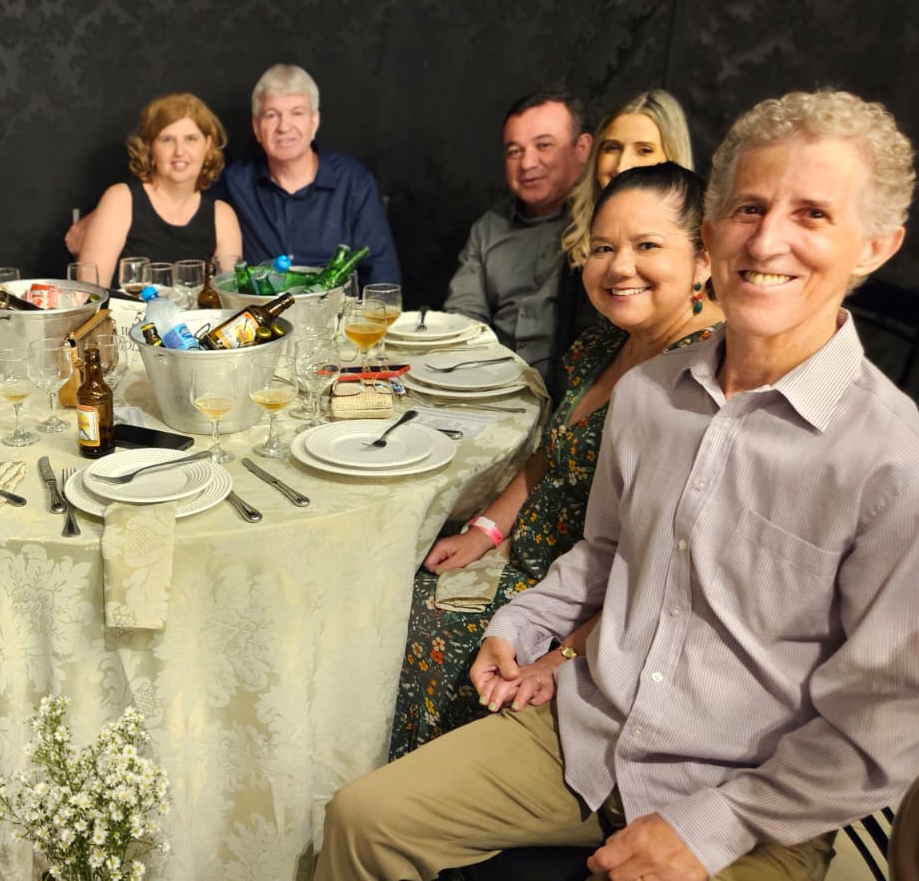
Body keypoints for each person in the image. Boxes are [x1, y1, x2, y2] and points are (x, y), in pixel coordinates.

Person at [318, 89, 918, 881]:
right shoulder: (647, 394)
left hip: (752, 795)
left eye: (813, 214)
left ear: (875, 245)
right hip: (587, 730)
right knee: (360, 819)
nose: (768, 238)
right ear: (713, 233)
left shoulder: (894, 459)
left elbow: (880, 724)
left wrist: (717, 825)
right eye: (749, 208)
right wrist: (521, 625)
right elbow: (603, 555)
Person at [391, 162, 721, 760]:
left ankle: (438, 798)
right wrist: (485, 531)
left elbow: (665, 574)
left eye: (647, 246)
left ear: (704, 259)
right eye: (604, 247)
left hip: (595, 606)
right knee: (399, 587)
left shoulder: (703, 380)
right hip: (533, 562)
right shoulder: (604, 341)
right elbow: (553, 453)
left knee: (429, 635)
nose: (619, 266)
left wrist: (562, 655)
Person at [68, 65, 403, 289]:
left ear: (314, 122)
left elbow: (381, 269)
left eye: (296, 113)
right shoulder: (237, 181)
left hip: (330, 322)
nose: (284, 127)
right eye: (272, 115)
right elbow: (172, 187)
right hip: (263, 327)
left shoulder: (353, 181)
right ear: (257, 128)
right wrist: (102, 216)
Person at [443, 91, 592, 392]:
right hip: (494, 389)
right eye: (514, 151)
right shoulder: (488, 229)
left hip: (574, 396)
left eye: (544, 145)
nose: (527, 164)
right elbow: (464, 318)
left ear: (582, 149)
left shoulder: (602, 226)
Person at [75, 92, 242, 287]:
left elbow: (231, 297)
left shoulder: (223, 216)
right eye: (167, 139)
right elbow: (91, 292)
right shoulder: (120, 200)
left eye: (191, 139)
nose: (179, 151)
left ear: (208, 145)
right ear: (149, 146)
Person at [560, 89, 695, 270]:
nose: (622, 166)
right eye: (612, 147)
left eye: (644, 150)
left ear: (673, 158)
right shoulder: (566, 238)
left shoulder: (700, 239)